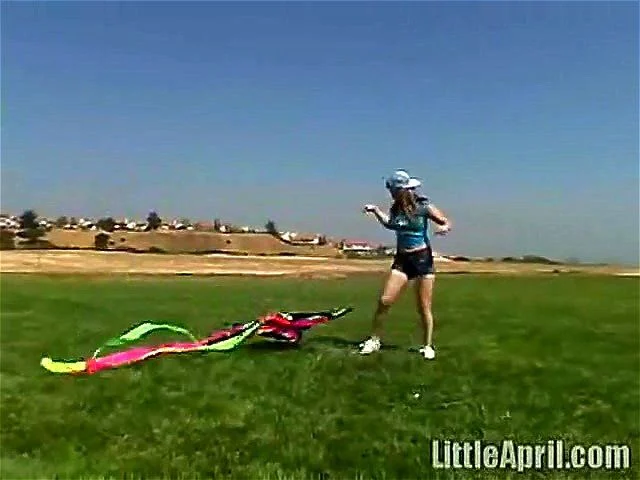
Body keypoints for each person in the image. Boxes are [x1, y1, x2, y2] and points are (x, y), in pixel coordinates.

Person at [359, 169, 451, 359]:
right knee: (385, 300)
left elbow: (445, 221)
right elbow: (391, 224)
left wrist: (443, 228)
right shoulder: (395, 209)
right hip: (402, 260)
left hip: (422, 259)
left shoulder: (423, 206)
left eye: (393, 189)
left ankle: (427, 345)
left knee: (423, 306)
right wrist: (376, 211)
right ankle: (374, 339)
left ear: (402, 190)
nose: (390, 193)